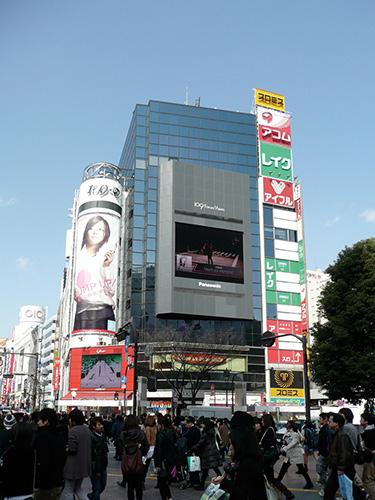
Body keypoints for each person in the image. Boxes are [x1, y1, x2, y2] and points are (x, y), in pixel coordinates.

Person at [74, 215, 116, 331]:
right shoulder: (78, 258)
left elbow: (111, 291)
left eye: (100, 229)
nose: (95, 232)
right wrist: (108, 300)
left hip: (106, 313)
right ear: (86, 231)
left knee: (110, 346)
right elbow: (82, 294)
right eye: (92, 228)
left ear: (105, 235)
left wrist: (106, 266)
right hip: (85, 315)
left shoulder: (102, 259)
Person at [212, 426, 267, 500]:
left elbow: (243, 494)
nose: (230, 447)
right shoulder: (249, 461)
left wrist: (224, 482)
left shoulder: (248, 465)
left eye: (232, 444)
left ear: (240, 445)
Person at [34, 408, 67, 500]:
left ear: (46, 422)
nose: (38, 423)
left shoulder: (42, 438)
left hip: (43, 483)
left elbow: (42, 461)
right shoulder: (60, 436)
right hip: (57, 480)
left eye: (40, 420)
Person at [260, 414, 294, 500]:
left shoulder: (269, 430)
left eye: (263, 420)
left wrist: (262, 444)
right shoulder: (270, 429)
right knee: (270, 477)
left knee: (270, 477)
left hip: (268, 456)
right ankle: (286, 493)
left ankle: (287, 493)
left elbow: (269, 442)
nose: (261, 422)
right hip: (269, 457)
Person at [61, 409, 92, 500]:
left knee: (68, 489)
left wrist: (67, 449)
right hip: (84, 464)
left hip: (73, 465)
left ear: (73, 420)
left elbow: (73, 449)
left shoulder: (73, 431)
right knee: (77, 488)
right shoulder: (87, 430)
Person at [0, 421, 36, 499]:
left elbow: (4, 474)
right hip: (29, 493)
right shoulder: (33, 451)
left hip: (11, 493)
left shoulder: (10, 453)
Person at [277, 421, 313, 490]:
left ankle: (309, 483)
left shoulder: (295, 434)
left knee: (301, 469)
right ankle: (278, 482)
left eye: (288, 426)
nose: (287, 428)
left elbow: (293, 443)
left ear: (291, 427)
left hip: (296, 454)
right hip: (289, 454)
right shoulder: (286, 433)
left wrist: (284, 449)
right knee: (283, 468)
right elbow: (285, 442)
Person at [121, 414, 149, 500]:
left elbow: (119, 447)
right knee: (139, 486)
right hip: (138, 462)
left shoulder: (123, 434)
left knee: (130, 486)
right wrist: (140, 452)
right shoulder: (141, 433)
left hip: (127, 463)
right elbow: (146, 447)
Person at [190, 418, 222, 490]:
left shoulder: (205, 433)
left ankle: (201, 485)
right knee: (215, 468)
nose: (201, 425)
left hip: (207, 453)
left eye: (203, 423)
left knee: (205, 469)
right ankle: (222, 480)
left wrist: (192, 448)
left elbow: (200, 443)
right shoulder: (211, 432)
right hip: (212, 451)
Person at [154, 415, 176, 500]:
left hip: (163, 461)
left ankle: (165, 498)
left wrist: (158, 464)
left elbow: (159, 450)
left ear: (162, 425)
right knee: (165, 481)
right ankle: (169, 497)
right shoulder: (172, 432)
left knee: (161, 482)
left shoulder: (161, 435)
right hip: (170, 460)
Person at [90, 417, 108, 500]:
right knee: (97, 488)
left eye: (101, 424)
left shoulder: (102, 436)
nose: (101, 426)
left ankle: (91, 496)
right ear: (93, 426)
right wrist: (96, 470)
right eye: (99, 425)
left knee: (102, 485)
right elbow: (92, 455)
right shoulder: (91, 437)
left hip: (103, 466)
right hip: (95, 467)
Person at [360, 412, 375, 500]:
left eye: (361, 419)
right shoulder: (370, 431)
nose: (360, 420)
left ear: (366, 421)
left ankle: (371, 498)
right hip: (371, 460)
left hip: (369, 460)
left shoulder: (368, 433)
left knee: (368, 480)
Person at [184, 416, 201, 487]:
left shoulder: (192, 430)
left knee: (192, 466)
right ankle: (195, 480)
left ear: (190, 423)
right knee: (194, 466)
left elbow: (190, 441)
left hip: (193, 450)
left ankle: (193, 481)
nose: (185, 426)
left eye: (186, 424)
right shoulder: (196, 429)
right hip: (195, 450)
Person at [143, 414, 157, 488]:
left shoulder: (148, 429)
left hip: (149, 448)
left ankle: (142, 482)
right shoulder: (155, 428)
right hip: (154, 447)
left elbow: (147, 440)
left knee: (145, 466)